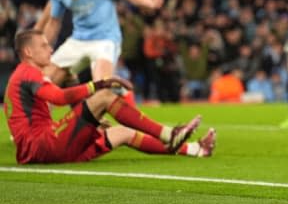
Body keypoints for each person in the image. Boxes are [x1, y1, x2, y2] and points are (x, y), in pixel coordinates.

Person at [4, 29, 216, 164]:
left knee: (122, 132)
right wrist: (99, 84)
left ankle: (195, 150)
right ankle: (169, 134)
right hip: (43, 146)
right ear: (28, 52)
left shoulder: (23, 76)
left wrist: (90, 117)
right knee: (104, 96)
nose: (50, 49)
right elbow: (59, 98)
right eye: (43, 45)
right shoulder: (27, 73)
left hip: (44, 148)